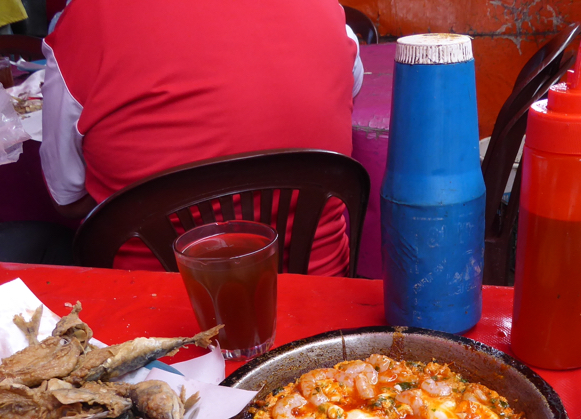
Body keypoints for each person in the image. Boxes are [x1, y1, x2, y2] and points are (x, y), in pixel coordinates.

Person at [40, 0, 361, 274]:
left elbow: (67, 199)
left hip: (148, 324)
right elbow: (351, 89)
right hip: (322, 301)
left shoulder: (86, 20)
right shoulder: (325, 9)